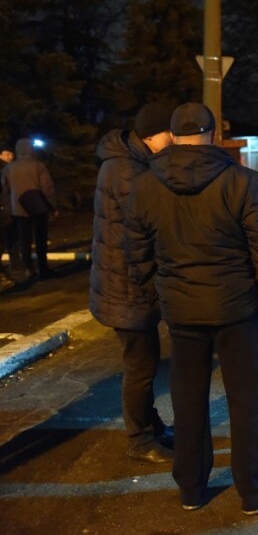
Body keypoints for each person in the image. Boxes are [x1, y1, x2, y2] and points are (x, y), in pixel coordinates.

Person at [125, 102, 258, 514]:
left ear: (175, 137)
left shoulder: (145, 185)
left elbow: (137, 254)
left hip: (182, 312)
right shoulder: (242, 181)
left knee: (188, 399)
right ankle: (252, 490)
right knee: (248, 400)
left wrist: (161, 295)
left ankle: (192, 490)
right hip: (239, 309)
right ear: (214, 135)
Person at [89, 102, 177, 464]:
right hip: (126, 287)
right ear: (153, 136)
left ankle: (150, 425)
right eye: (170, 134)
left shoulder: (127, 162)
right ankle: (140, 439)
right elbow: (142, 229)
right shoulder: (129, 172)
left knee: (144, 362)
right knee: (140, 366)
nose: (173, 140)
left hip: (123, 284)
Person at [0, 138, 59, 280]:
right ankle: (43, 269)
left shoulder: (9, 168)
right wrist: (52, 206)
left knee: (24, 240)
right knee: (40, 239)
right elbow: (47, 188)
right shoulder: (39, 166)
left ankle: (29, 270)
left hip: (19, 209)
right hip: (39, 207)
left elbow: (5, 189)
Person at [0, 146, 16, 291]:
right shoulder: (5, 169)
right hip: (4, 210)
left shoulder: (8, 168)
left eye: (11, 153)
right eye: (7, 153)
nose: (11, 156)